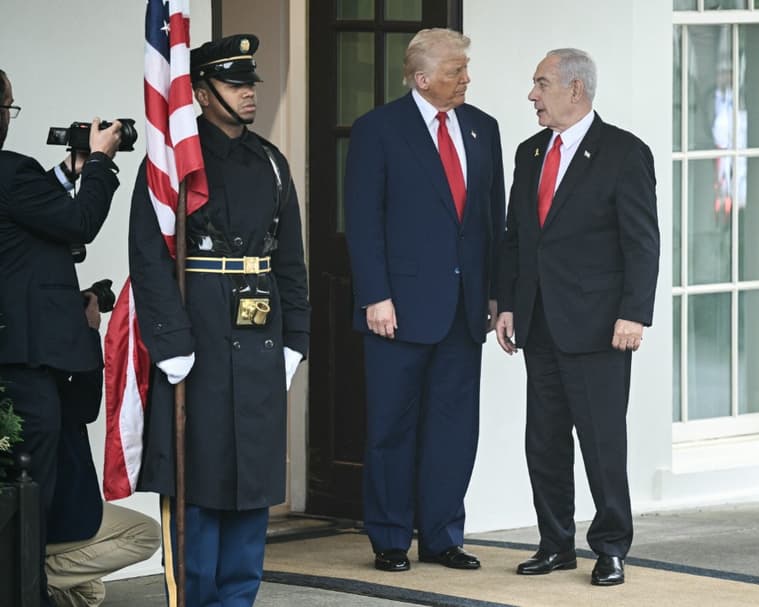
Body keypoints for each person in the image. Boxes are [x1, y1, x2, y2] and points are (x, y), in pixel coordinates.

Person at [129, 34, 310, 605]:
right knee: (199, 483)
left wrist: (296, 338)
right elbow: (149, 259)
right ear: (202, 93)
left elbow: (290, 259)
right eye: (235, 84)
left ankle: (238, 599)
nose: (249, 94)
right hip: (198, 338)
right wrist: (170, 342)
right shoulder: (172, 164)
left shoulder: (271, 162)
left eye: (250, 84)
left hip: (259, 338)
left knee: (252, 483)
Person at [495, 49, 660, 587]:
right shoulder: (529, 153)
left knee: (602, 443)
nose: (532, 95)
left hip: (599, 328)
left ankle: (610, 547)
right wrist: (507, 303)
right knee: (543, 442)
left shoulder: (624, 153)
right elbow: (515, 238)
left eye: (541, 84)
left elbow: (642, 243)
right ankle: (555, 544)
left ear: (575, 90)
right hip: (539, 323)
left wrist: (634, 314)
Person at [343, 28, 504, 573]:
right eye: (456, 70)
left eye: (465, 68)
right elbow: (363, 220)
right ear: (422, 78)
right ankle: (390, 538)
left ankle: (442, 536)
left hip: (463, 309)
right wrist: (375, 296)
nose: (466, 79)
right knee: (392, 428)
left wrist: (494, 292)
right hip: (398, 310)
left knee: (454, 429)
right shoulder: (378, 130)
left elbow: (492, 218)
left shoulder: (483, 128)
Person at [0, 67, 124, 606]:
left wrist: (68, 170)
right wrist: (99, 162)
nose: (10, 117)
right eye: (9, 107)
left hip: (11, 354)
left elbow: (28, 209)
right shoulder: (11, 171)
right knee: (33, 490)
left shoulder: (15, 180)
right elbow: (78, 223)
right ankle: (29, 593)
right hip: (26, 364)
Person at [45, 291, 160, 607]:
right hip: (50, 514)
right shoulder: (42, 373)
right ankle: (25, 575)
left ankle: (31, 574)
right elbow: (84, 406)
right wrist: (88, 333)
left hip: (47, 510)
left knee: (90, 593)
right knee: (146, 534)